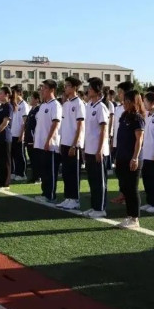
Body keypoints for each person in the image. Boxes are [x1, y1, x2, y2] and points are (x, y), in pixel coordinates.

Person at [115, 90, 145, 228]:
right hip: (121, 157)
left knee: (132, 189)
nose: (125, 104)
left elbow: (139, 140)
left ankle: (135, 218)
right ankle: (129, 216)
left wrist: (135, 158)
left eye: (128, 101)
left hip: (132, 158)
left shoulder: (137, 118)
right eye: (124, 101)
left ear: (135, 102)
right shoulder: (124, 116)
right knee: (125, 188)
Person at [82, 77, 110, 217]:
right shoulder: (89, 106)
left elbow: (103, 129)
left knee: (100, 181)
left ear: (97, 90)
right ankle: (94, 207)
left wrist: (99, 149)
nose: (88, 90)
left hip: (99, 151)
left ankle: (100, 209)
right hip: (89, 149)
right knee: (92, 180)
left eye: (90, 88)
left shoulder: (101, 107)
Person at [57, 76, 86, 210]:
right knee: (67, 172)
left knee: (74, 172)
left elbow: (80, 125)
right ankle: (68, 197)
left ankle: (75, 199)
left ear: (74, 87)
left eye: (68, 85)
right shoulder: (66, 103)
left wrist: (75, 144)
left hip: (73, 144)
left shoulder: (79, 103)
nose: (65, 88)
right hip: (65, 141)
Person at [33, 80, 63, 204]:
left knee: (50, 171)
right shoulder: (43, 106)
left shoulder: (55, 105)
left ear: (51, 90)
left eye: (44, 88)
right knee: (44, 171)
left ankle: (51, 195)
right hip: (40, 144)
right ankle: (45, 193)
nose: (42, 91)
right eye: (41, 88)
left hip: (50, 145)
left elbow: (55, 123)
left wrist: (49, 140)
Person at [110, 81, 134, 205]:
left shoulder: (133, 110)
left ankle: (127, 197)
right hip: (117, 144)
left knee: (127, 175)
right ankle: (122, 194)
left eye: (120, 92)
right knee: (119, 172)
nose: (118, 94)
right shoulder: (118, 107)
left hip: (127, 146)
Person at [10, 85, 30, 181]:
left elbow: (25, 121)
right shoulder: (15, 105)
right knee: (13, 155)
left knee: (20, 155)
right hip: (13, 134)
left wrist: (22, 134)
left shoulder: (24, 105)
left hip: (19, 134)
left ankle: (22, 174)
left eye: (13, 92)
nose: (11, 95)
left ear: (18, 93)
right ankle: (15, 172)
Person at [25, 92, 41, 184]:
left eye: (32, 98)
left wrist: (34, 137)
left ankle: (38, 177)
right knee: (32, 158)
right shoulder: (31, 110)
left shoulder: (38, 110)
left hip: (34, 138)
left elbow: (37, 125)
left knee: (36, 159)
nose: (30, 99)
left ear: (37, 100)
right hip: (28, 138)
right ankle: (34, 176)